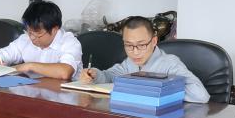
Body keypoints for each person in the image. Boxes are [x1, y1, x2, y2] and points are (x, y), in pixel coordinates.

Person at [77, 16, 210, 103]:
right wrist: (94, 74)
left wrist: (158, 88)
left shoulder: (170, 64)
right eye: (129, 45)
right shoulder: (130, 63)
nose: (135, 52)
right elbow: (110, 76)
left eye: (141, 45)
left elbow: (201, 95)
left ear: (154, 41)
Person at [0, 0, 82, 80]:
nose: (32, 37)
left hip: (63, 94)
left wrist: (30, 66)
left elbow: (65, 72)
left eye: (37, 33)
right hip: (32, 92)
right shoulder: (25, 39)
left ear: (54, 30)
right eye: (29, 31)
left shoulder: (70, 42)